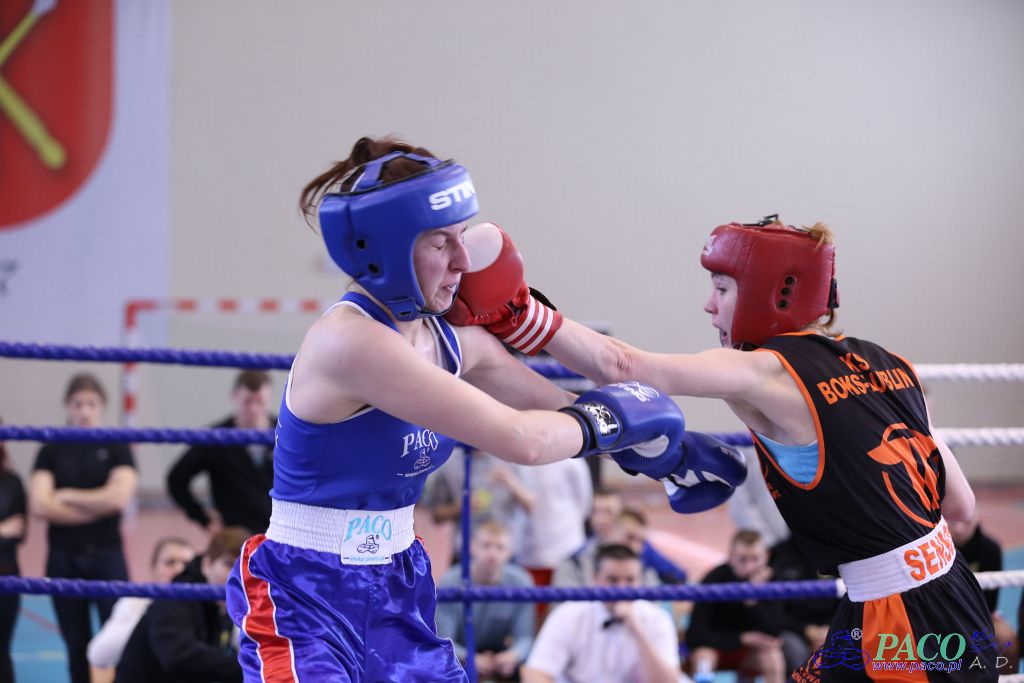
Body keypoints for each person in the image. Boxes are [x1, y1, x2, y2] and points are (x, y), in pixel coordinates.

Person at [222, 137, 708, 682]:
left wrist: (667, 451)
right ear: (384, 249)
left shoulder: (452, 341)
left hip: (397, 579)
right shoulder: (349, 342)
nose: (462, 261)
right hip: (306, 593)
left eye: (462, 235)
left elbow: (562, 408)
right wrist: (619, 421)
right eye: (440, 242)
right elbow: (525, 439)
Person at [451, 217, 995, 680]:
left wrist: (518, 314)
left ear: (773, 293)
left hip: (896, 620)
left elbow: (622, 366)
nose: (710, 306)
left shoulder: (767, 372)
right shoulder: (892, 364)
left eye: (723, 288)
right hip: (953, 594)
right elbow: (961, 507)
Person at [29, 373, 138, 683]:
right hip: (63, 558)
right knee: (76, 647)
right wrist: (98, 506)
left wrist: (67, 496)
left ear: (102, 406)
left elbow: (119, 498)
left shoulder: (116, 445)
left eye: (91, 403)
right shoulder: (51, 448)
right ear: (68, 405)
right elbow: (40, 505)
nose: (85, 411)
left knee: (118, 643)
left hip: (108, 556)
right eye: (78, 404)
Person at [521, 543, 681, 683]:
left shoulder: (656, 619)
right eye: (613, 580)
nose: (622, 589)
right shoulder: (569, 615)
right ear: (595, 579)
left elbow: (667, 682)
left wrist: (637, 629)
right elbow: (535, 674)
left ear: (640, 581)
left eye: (630, 580)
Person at [115, 528, 248, 683]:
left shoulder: (221, 606)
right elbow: (179, 657)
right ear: (207, 564)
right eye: (229, 564)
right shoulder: (174, 598)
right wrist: (249, 669)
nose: (237, 575)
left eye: (245, 568)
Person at [167, 370, 276, 534]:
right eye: (247, 402)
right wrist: (204, 519)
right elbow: (176, 478)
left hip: (279, 533)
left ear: (270, 399)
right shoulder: (216, 437)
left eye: (260, 402)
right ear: (234, 396)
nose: (253, 409)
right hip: (234, 535)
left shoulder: (286, 435)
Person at [435, 521, 535, 682]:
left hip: (500, 656)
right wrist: (467, 657)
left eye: (500, 547)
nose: (492, 554)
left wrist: (513, 656)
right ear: (472, 547)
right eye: (486, 545)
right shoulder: (450, 581)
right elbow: (443, 639)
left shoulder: (522, 582)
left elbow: (525, 637)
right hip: (459, 657)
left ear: (509, 552)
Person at [87, 537, 196, 681]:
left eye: (187, 564)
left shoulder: (206, 607)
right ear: (153, 568)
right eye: (170, 562)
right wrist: (149, 613)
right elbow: (99, 655)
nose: (178, 569)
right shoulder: (136, 602)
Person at [688, 530, 789, 683]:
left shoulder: (772, 581)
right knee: (703, 660)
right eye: (742, 559)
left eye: (755, 559)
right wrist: (742, 638)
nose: (749, 567)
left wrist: (752, 599)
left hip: (748, 653)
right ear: (731, 556)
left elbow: (775, 632)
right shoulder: (714, 580)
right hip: (715, 648)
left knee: (773, 656)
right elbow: (695, 635)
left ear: (766, 557)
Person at [420, 446, 531, 561]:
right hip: (465, 554)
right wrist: (459, 507)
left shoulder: (509, 460)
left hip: (505, 554)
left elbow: (531, 506)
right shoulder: (449, 464)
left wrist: (512, 484)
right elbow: (436, 516)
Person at [552, 487, 623, 588]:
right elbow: (562, 595)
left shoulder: (641, 554)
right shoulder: (574, 561)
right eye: (595, 512)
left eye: (608, 512)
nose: (601, 520)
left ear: (623, 516)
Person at [0, 418, 25, 683]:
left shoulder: (12, 482)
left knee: (1, 651)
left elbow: (18, 532)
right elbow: (7, 531)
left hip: (6, 575)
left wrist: (7, 532)